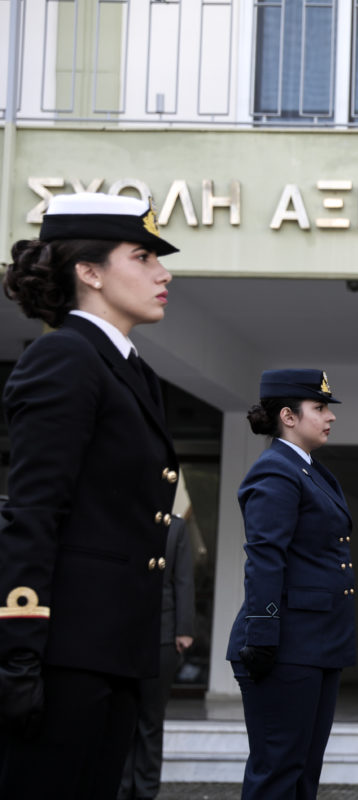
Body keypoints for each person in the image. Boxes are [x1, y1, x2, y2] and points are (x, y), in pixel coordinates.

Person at [0, 192, 180, 798]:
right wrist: (19, 656)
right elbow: (33, 514)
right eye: (144, 256)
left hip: (114, 650)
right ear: (90, 271)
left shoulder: (129, 370)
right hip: (66, 653)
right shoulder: (65, 357)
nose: (164, 273)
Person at [225, 369, 355, 800]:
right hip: (282, 646)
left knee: (302, 774)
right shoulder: (276, 471)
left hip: (315, 643)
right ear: (288, 415)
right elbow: (265, 558)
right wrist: (263, 636)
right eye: (319, 408)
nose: (329, 417)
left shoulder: (308, 469)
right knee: (277, 772)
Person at [120, 513, 195, 800]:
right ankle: (121, 787)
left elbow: (184, 580)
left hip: (163, 635)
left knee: (151, 719)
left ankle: (146, 790)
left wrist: (184, 628)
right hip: (122, 633)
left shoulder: (176, 527)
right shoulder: (126, 517)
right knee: (123, 715)